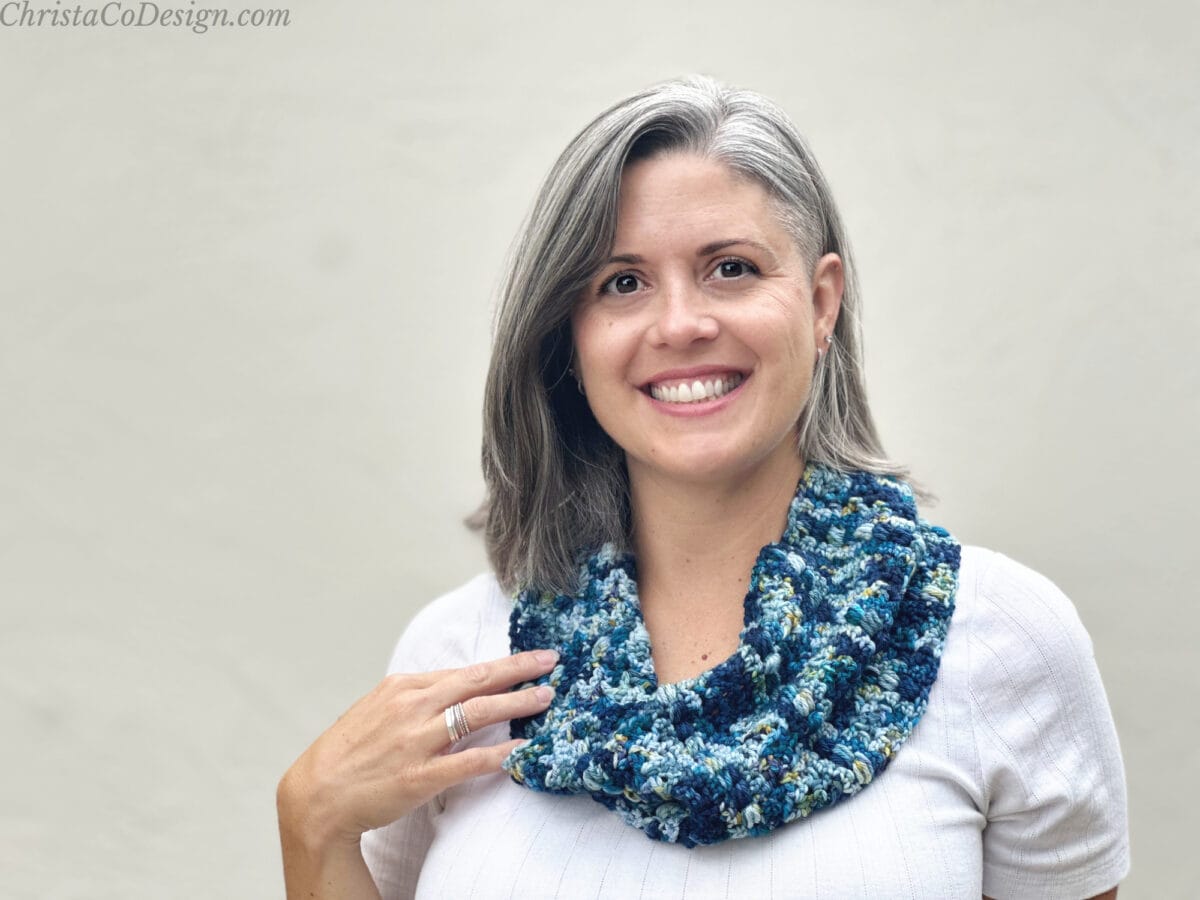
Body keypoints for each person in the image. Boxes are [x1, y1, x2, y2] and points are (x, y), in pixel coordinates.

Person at [277, 76, 1129, 899]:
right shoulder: (460, 657)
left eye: (731, 268)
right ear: (569, 338)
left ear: (822, 302)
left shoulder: (1003, 641)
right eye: (622, 283)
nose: (681, 324)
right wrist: (310, 825)